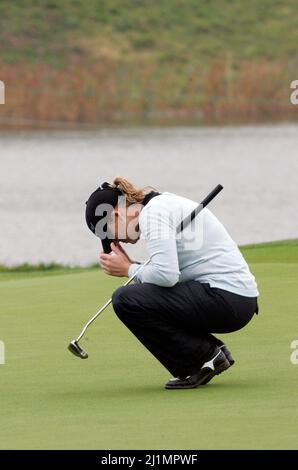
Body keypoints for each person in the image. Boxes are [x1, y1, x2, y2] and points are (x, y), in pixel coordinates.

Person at [85, 177, 259, 389]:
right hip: (234, 299)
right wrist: (132, 267)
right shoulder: (159, 206)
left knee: (125, 299)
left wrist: (128, 269)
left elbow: (166, 276)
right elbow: (170, 273)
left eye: (110, 234)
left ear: (116, 214)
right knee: (139, 295)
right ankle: (212, 353)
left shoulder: (153, 213)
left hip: (226, 298)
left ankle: (202, 360)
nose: (117, 242)